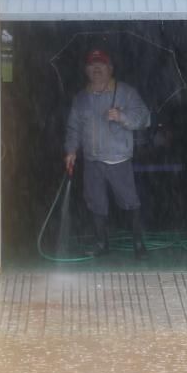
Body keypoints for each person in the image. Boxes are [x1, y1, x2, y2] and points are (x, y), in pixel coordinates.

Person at [64, 49, 150, 259]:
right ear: (86, 70)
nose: (97, 69)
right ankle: (102, 244)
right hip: (92, 161)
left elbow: (145, 118)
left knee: (130, 202)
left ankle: (139, 244)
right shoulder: (81, 98)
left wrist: (122, 116)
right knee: (95, 202)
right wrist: (71, 150)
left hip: (118, 159)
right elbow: (73, 127)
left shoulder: (126, 92)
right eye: (92, 65)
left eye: (101, 65)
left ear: (110, 69)